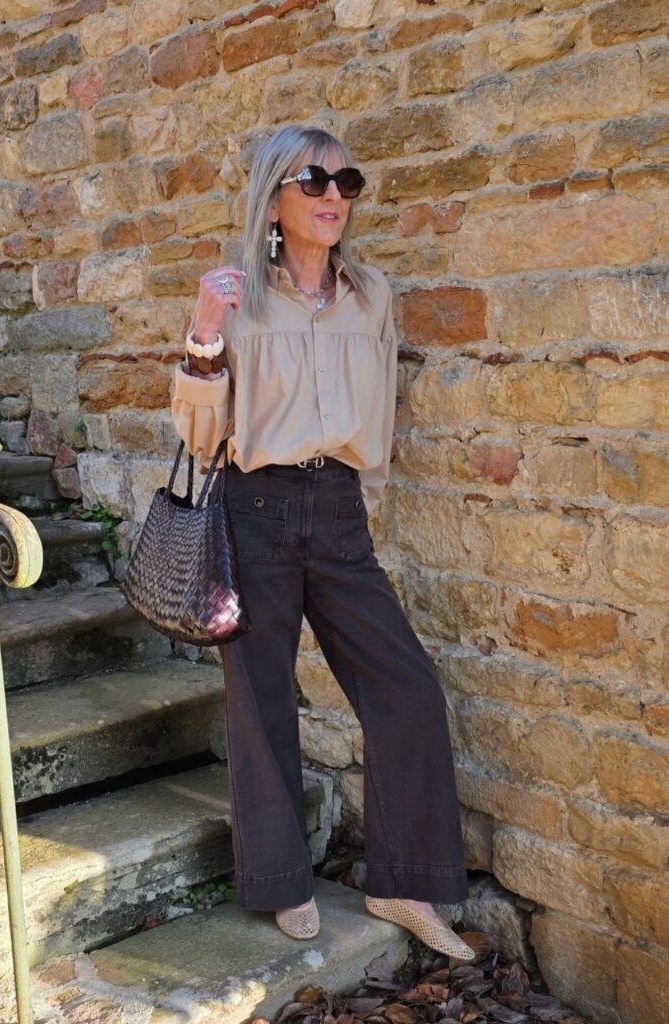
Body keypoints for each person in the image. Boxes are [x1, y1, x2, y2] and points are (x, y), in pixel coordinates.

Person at [170, 124, 475, 959]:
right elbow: (199, 436)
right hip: (254, 505)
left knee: (405, 689)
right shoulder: (238, 296)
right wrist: (203, 334)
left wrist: (353, 489)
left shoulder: (370, 295)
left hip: (336, 508)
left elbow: (373, 412)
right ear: (274, 196)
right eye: (313, 181)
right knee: (261, 702)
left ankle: (402, 883)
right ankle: (280, 882)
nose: (333, 195)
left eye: (347, 181)